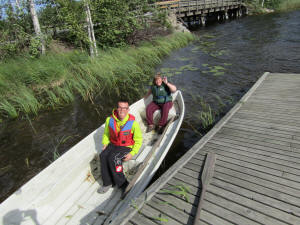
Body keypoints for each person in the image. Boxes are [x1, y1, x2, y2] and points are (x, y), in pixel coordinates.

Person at [97, 99, 143, 194]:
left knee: (113, 158)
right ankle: (107, 183)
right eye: (120, 107)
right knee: (103, 156)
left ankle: (123, 184)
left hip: (126, 146)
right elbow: (106, 134)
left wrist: (132, 153)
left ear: (128, 109)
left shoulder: (133, 123)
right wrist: (105, 143)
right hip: (113, 144)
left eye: (125, 108)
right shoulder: (109, 120)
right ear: (117, 108)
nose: (122, 110)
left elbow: (139, 140)